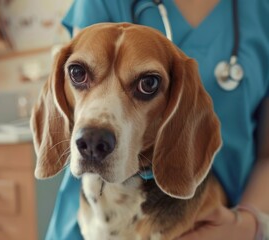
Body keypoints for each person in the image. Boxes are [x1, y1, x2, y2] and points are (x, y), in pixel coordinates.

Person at [45, 0, 269, 239]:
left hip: (215, 222)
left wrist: (248, 225)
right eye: (79, 74)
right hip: (88, 218)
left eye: (147, 84)